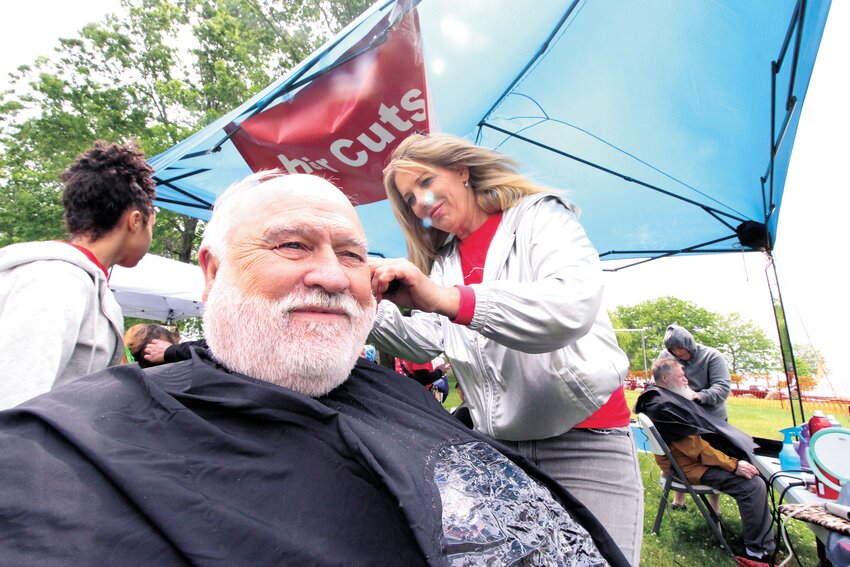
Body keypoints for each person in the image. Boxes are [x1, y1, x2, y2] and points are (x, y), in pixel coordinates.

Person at [0, 172, 627, 566]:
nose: (332, 273)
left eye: (352, 254)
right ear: (212, 272)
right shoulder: (60, 454)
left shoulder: (535, 221)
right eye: (292, 245)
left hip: (584, 428)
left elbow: (561, 308)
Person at [369, 133, 642, 564]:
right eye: (409, 200)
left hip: (585, 440)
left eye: (425, 181)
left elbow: (569, 307)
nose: (420, 203)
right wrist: (355, 303)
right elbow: (429, 339)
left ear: (461, 170)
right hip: (501, 449)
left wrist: (446, 299)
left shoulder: (540, 218)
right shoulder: (445, 262)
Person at [0, 140, 156, 409]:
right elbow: (13, 396)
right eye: (152, 223)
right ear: (135, 221)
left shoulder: (88, 285)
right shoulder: (53, 280)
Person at [634, 358, 775, 564]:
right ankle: (757, 552)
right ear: (665, 377)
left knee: (756, 469)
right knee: (751, 484)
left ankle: (760, 539)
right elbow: (696, 449)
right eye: (681, 375)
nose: (686, 379)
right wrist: (733, 464)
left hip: (690, 461)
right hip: (686, 467)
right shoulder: (661, 406)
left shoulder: (664, 398)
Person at [658, 324, 732, 420]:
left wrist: (699, 396)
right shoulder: (665, 356)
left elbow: (722, 387)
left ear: (689, 344)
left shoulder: (712, 356)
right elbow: (658, 381)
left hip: (711, 417)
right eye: (673, 349)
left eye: (680, 348)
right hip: (679, 415)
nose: (678, 353)